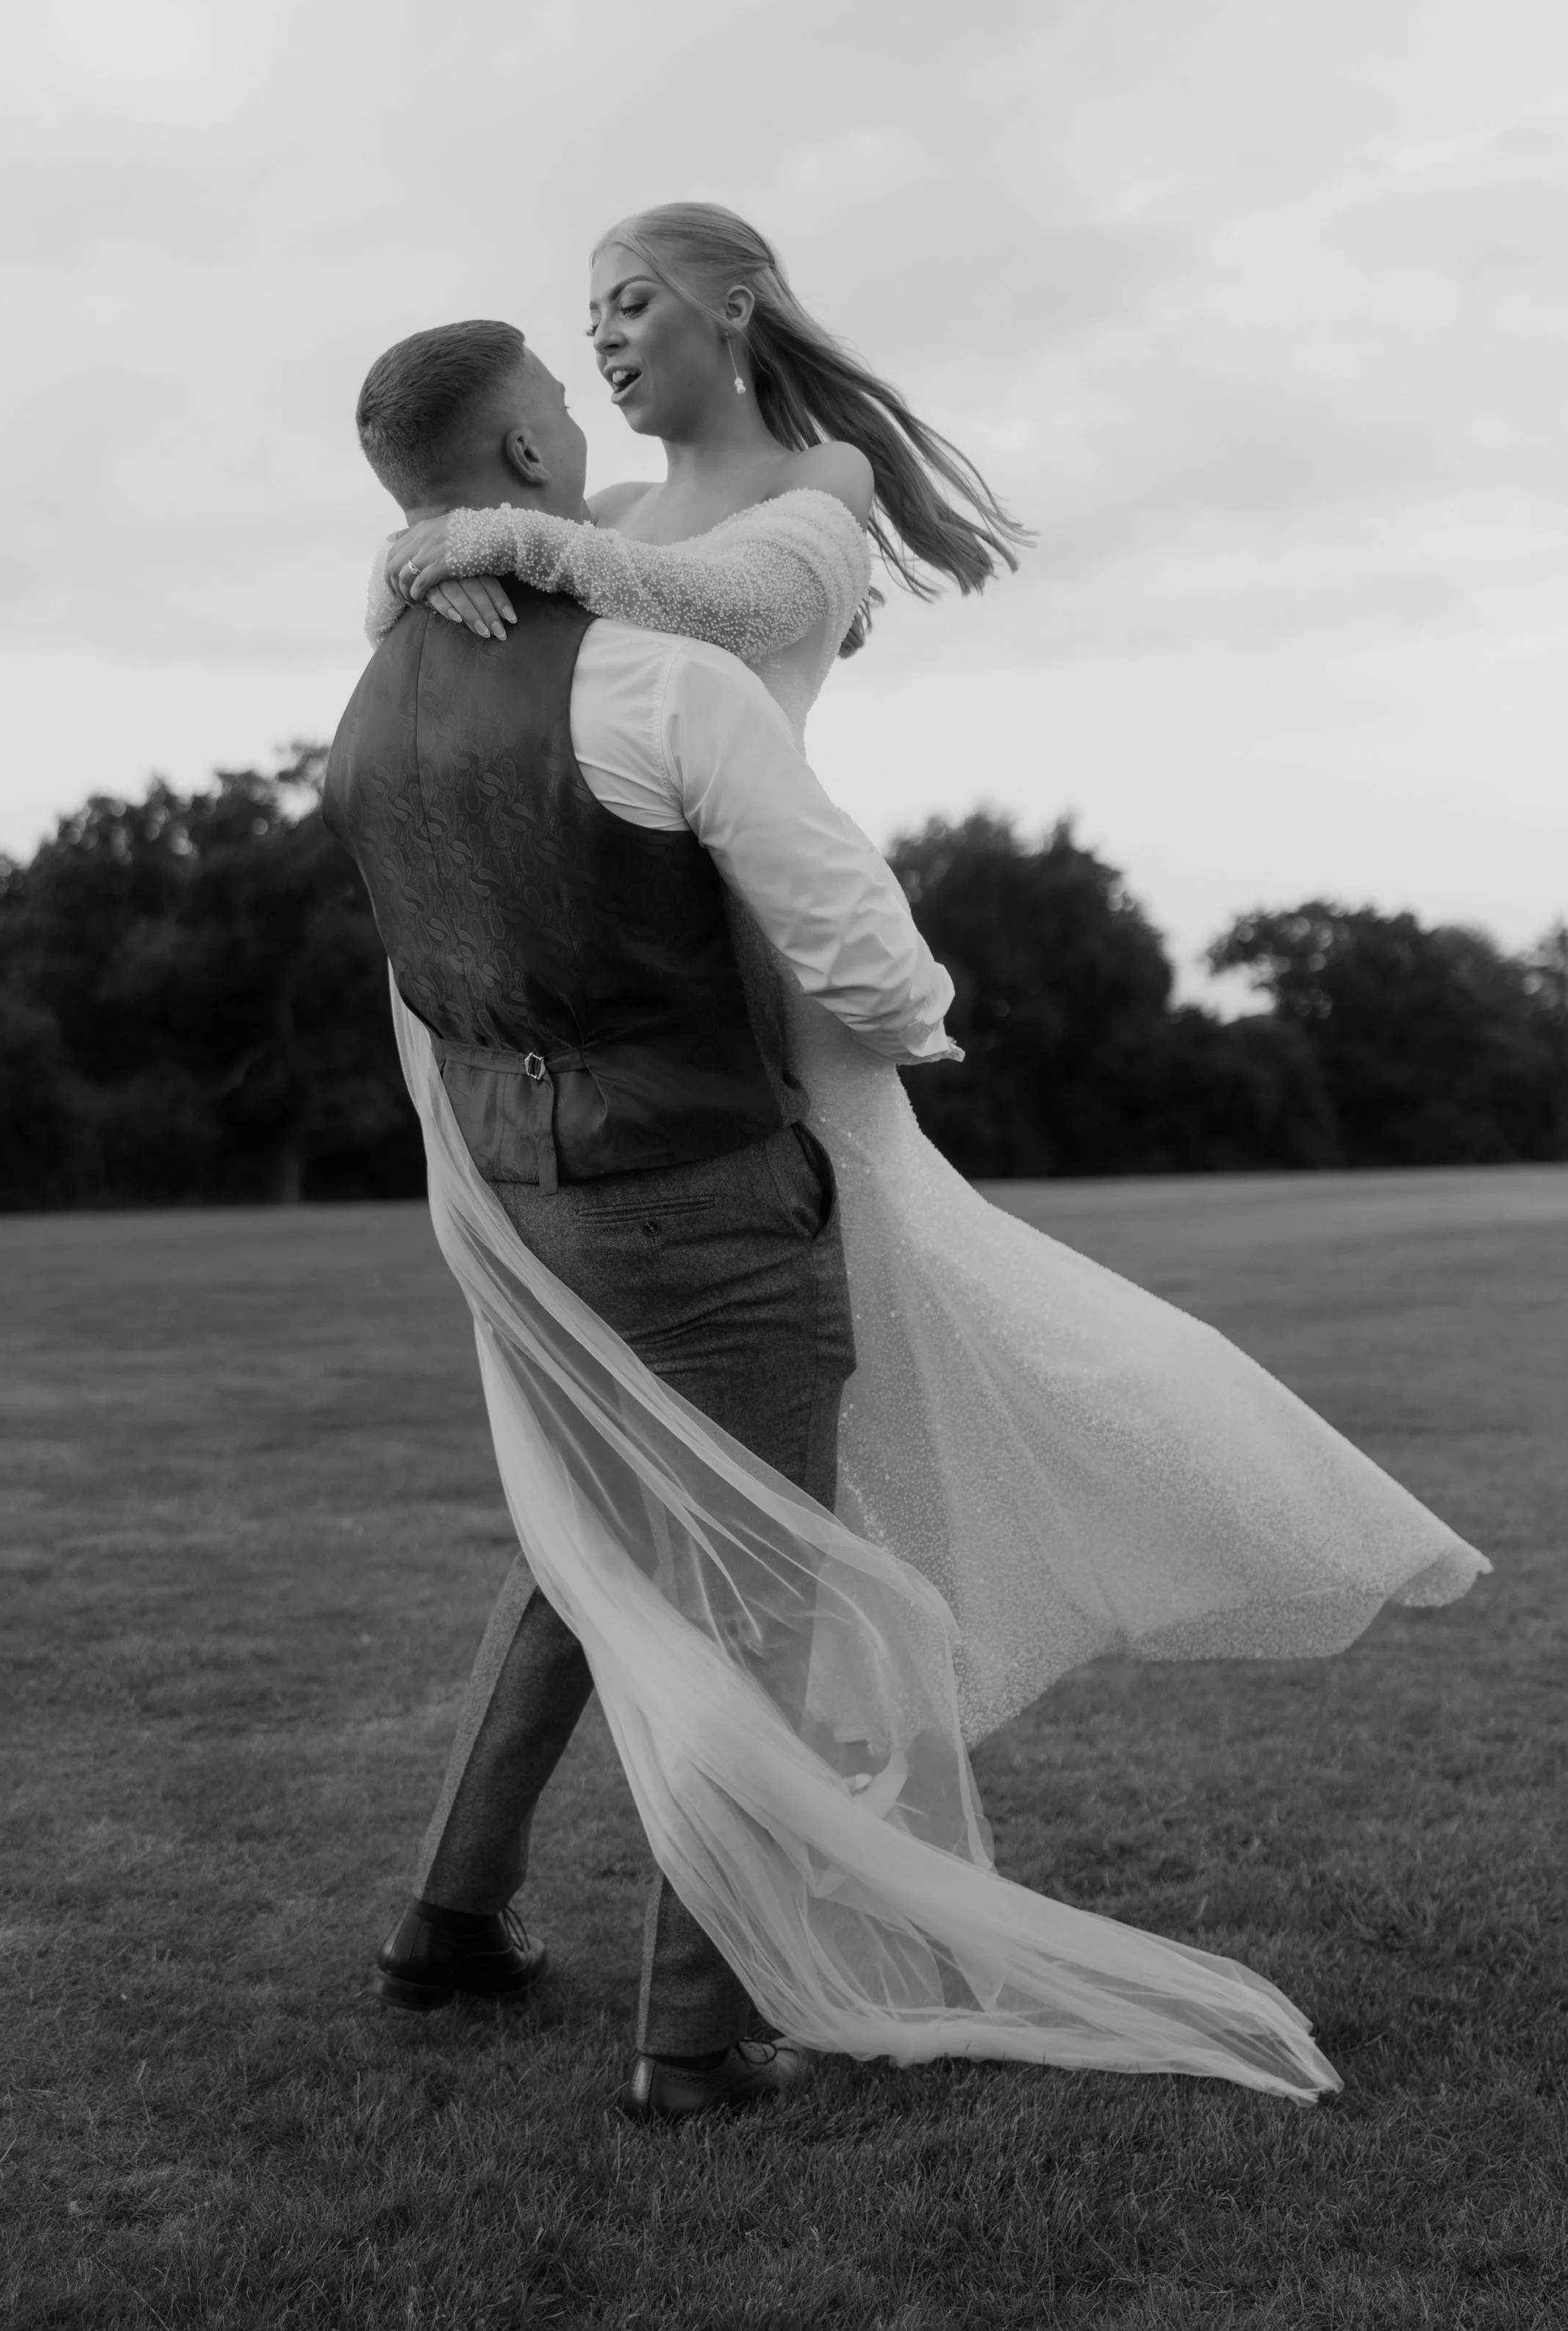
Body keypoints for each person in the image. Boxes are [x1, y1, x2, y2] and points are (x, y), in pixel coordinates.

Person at [332, 315, 1346, 2120]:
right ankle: (695, 2035)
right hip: (697, 1192)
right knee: (756, 1597)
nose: (580, 405)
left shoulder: (370, 701)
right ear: (524, 461)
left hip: (512, 1197)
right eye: (557, 394)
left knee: (579, 1549)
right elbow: (865, 958)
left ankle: (448, 1920)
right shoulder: (661, 686)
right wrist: (920, 1032)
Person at [370, 203, 1489, 1753]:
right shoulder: (606, 507)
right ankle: (790, 1765)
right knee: (686, 1455)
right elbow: (470, 654)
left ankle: (971, 1646)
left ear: (733, 306)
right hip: (631, 984)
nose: (606, 340)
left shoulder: (813, 483)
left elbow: (737, 608)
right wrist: (420, 561)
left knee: (901, 1347)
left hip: (782, 987)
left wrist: (503, 541)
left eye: (632, 302)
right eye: (589, 321)